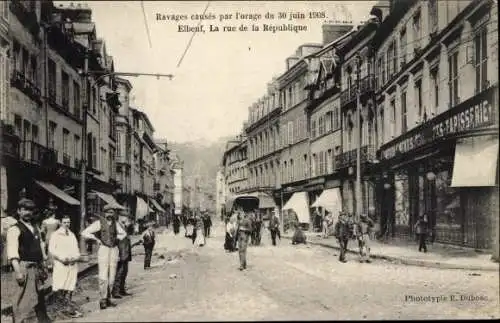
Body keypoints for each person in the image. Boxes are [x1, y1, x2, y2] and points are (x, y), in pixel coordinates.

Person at [6, 198, 50, 323]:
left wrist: (43, 265)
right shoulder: (14, 229)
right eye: (24, 210)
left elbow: (40, 248)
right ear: (19, 211)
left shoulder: (35, 227)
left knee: (38, 300)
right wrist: (18, 272)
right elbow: (12, 252)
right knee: (23, 302)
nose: (28, 213)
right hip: (24, 268)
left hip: (37, 268)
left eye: (30, 210)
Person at [81, 204, 127, 310]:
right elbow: (84, 233)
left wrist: (117, 239)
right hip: (104, 249)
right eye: (107, 212)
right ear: (104, 213)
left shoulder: (116, 224)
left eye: (111, 212)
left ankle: (108, 298)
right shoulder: (99, 223)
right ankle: (102, 299)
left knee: (112, 276)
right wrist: (96, 239)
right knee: (103, 275)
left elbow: (123, 234)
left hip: (114, 250)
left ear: (113, 214)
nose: (109, 214)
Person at [48, 215, 83, 318]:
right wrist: (61, 258)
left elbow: (76, 249)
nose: (67, 224)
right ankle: (60, 309)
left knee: (70, 285)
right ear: (60, 223)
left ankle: (68, 308)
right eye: (65, 222)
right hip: (61, 264)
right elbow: (51, 249)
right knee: (60, 284)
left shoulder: (72, 235)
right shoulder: (56, 234)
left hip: (72, 264)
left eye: (68, 222)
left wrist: (75, 257)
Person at [113, 212, 141, 298]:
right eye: (125, 217)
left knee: (124, 272)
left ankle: (122, 289)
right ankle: (115, 291)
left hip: (125, 252)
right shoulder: (116, 226)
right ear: (120, 217)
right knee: (119, 272)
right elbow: (115, 239)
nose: (127, 218)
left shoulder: (124, 226)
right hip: (120, 252)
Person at [40, 200, 60, 270]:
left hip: (48, 237)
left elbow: (42, 231)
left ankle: (49, 265)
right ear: (53, 214)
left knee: (48, 251)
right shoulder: (57, 221)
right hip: (55, 237)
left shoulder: (44, 221)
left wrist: (46, 234)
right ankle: (55, 264)